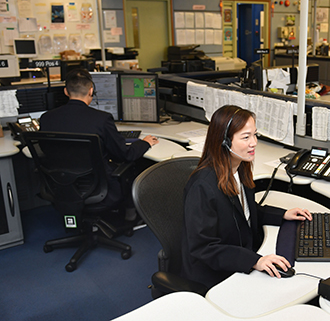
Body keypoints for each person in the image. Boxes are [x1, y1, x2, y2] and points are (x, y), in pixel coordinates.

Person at [181, 105, 312, 289]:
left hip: (239, 254)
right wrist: (254, 261)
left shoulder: (238, 169)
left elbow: (245, 211)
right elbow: (204, 248)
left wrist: (282, 215)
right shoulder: (202, 187)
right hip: (215, 274)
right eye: (246, 137)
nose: (254, 142)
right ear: (224, 142)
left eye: (254, 135)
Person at [40, 68, 159, 219]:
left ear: (65, 91)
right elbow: (125, 155)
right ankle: (130, 215)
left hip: (61, 185)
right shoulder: (101, 119)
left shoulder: (46, 118)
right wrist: (145, 143)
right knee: (130, 167)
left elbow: (46, 149)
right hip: (99, 188)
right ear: (91, 91)